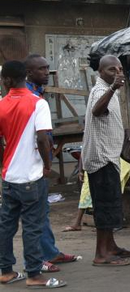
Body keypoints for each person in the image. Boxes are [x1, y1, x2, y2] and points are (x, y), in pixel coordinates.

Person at [0, 61, 67, 288]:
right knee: (32, 226)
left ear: (7, 80)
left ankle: (6, 271)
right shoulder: (38, 103)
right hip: (32, 175)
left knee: (6, 225)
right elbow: (42, 138)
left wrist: (4, 164)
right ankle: (34, 274)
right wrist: (47, 166)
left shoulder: (1, 104)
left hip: (9, 176)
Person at [24, 54, 78, 272]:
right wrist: (47, 164)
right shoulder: (30, 97)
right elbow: (40, 136)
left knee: (42, 210)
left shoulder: (38, 93)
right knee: (33, 214)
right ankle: (37, 259)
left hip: (37, 162)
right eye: (41, 69)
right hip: (31, 163)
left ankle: (50, 252)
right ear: (29, 72)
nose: (46, 72)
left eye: (47, 68)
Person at [81, 55, 130, 266]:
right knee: (104, 206)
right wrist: (112, 88)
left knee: (111, 204)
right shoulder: (102, 90)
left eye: (119, 69)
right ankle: (101, 254)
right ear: (100, 72)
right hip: (102, 158)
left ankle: (110, 246)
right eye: (112, 70)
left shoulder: (108, 90)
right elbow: (97, 110)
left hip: (108, 156)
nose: (117, 73)